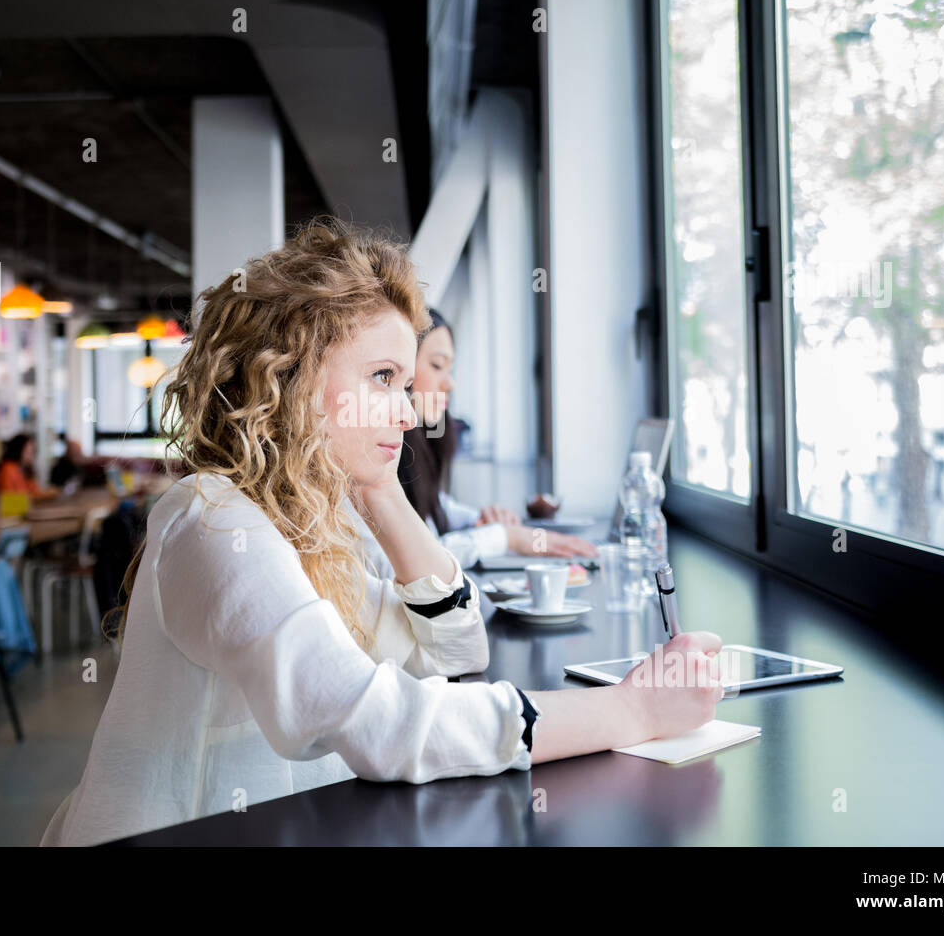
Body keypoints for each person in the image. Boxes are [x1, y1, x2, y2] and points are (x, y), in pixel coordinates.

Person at [40, 219, 724, 847]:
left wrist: (383, 493)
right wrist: (631, 711)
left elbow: (455, 650)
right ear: (294, 377)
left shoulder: (314, 516)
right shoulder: (214, 520)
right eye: (383, 379)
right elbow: (378, 724)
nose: (409, 414)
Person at [355, 307, 599, 578]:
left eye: (450, 368)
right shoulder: (364, 457)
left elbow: (431, 505)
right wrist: (502, 537)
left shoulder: (419, 445)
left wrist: (478, 521)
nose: (450, 383)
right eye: (436, 366)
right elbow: (400, 562)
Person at [0, 433, 58, 502]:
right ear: (18, 450)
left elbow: (34, 491)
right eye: (29, 451)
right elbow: (10, 499)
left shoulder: (25, 469)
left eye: (33, 451)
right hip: (6, 511)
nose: (31, 455)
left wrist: (47, 492)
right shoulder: (8, 469)